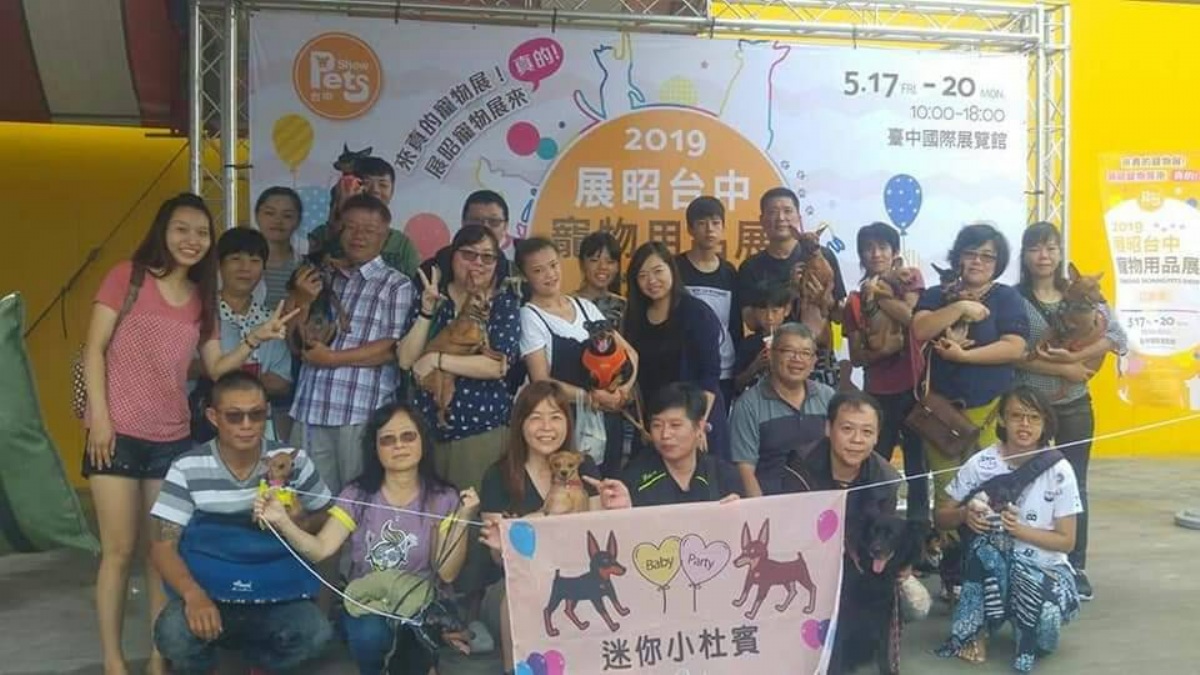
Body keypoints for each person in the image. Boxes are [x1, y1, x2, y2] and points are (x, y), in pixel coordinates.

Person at [82, 193, 294, 675]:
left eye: (201, 233)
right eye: (182, 229)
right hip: (114, 436)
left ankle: (160, 660)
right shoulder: (127, 277)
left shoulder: (203, 300)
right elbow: (94, 349)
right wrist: (101, 419)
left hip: (171, 439)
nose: (191, 240)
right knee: (118, 551)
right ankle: (114, 662)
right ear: (163, 231)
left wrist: (256, 338)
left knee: (161, 553)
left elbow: (216, 367)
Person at [256, 402, 479, 675]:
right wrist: (282, 521)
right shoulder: (357, 494)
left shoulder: (443, 497)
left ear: (423, 441)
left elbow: (447, 572)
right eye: (388, 440)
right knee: (369, 634)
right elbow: (321, 549)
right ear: (375, 448)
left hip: (421, 606)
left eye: (408, 436)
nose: (399, 445)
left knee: (413, 642)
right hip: (369, 603)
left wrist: (464, 517)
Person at [149, 371, 334, 675]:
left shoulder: (294, 461)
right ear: (213, 417)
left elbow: (329, 516)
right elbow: (162, 545)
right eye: (234, 416)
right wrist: (194, 596)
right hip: (210, 596)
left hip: (279, 598)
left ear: (267, 413)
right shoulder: (187, 467)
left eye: (256, 414)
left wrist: (301, 521)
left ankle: (260, 665)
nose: (247, 425)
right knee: (173, 634)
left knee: (316, 633)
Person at [396, 224, 521, 649]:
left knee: (470, 522)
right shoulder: (430, 297)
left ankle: (467, 618)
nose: (478, 265)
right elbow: (406, 360)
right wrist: (427, 313)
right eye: (469, 255)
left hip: (479, 430)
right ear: (453, 257)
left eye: (488, 257)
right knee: (428, 520)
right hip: (424, 432)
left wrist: (437, 361)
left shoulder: (503, 305)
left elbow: (498, 365)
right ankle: (424, 613)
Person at [477, 381, 632, 672]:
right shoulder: (498, 475)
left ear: (568, 423)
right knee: (518, 596)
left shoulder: (584, 467)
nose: (546, 427)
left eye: (556, 417)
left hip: (577, 574)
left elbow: (596, 537)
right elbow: (499, 557)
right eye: (536, 417)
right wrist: (544, 517)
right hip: (516, 579)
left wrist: (620, 508)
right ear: (520, 424)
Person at [934, 386, 1082, 673]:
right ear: (1002, 419)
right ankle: (975, 632)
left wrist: (1018, 530)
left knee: (1044, 637)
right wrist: (964, 515)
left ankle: (1021, 620)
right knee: (986, 546)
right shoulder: (982, 463)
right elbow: (940, 517)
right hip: (994, 565)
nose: (1025, 425)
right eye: (1016, 416)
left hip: (1045, 567)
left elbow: (1067, 541)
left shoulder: (1060, 470)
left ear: (1045, 423)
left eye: (1033, 417)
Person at [1014, 221, 1126, 600]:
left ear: (1061, 254)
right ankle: (1025, 560)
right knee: (1023, 482)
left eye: (1050, 247)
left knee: (1074, 485)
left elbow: (1118, 337)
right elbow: (1015, 356)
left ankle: (1075, 565)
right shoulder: (1013, 298)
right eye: (1035, 248)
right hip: (1028, 407)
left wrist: (1078, 357)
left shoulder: (1085, 291)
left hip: (1075, 405)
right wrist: (1064, 369)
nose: (1043, 256)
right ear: (1024, 255)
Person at [289, 193, 415, 493]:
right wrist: (302, 302)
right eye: (350, 227)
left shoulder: (396, 284)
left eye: (369, 230)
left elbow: (391, 349)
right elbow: (295, 346)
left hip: (361, 413)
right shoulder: (319, 278)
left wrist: (331, 359)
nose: (358, 236)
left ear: (385, 237)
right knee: (307, 502)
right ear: (338, 230)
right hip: (310, 407)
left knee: (358, 504)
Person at [911, 223, 1029, 514]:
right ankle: (948, 543)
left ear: (998, 263)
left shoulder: (1007, 298)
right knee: (946, 491)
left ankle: (985, 544)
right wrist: (960, 308)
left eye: (987, 256)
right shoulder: (937, 294)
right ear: (958, 257)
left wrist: (964, 356)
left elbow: (1015, 347)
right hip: (941, 414)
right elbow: (920, 329)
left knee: (991, 493)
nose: (978, 261)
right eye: (971, 253)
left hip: (990, 411)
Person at [517, 238, 638, 475]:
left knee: (608, 485)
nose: (550, 275)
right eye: (538, 270)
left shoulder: (585, 307)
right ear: (525, 276)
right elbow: (541, 380)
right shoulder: (530, 316)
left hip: (608, 418)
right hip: (565, 423)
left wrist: (621, 393)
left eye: (553, 265)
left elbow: (631, 354)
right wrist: (590, 397)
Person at [843, 222, 929, 522]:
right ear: (861, 256)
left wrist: (878, 292)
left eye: (882, 247)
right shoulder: (854, 301)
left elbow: (911, 319)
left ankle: (919, 533)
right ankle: (874, 528)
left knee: (918, 468)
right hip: (877, 394)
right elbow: (856, 357)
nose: (876, 253)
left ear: (895, 252)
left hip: (915, 388)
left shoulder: (911, 279)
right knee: (876, 466)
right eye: (868, 248)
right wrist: (882, 350)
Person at [623, 241, 730, 461]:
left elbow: (709, 375)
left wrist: (698, 424)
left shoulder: (697, 313)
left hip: (698, 416)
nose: (652, 280)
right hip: (656, 423)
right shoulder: (635, 318)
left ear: (672, 270)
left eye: (658, 271)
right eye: (642, 275)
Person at [738, 187, 847, 388]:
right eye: (773, 212)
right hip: (773, 357)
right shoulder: (751, 267)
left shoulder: (824, 256)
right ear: (762, 220)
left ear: (798, 218)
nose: (781, 218)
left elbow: (840, 316)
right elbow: (751, 322)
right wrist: (790, 291)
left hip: (817, 355)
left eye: (787, 211)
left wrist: (822, 299)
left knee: (823, 406)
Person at [731, 323, 836, 497]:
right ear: (771, 355)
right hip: (772, 501)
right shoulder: (748, 405)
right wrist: (762, 509)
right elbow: (745, 470)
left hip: (823, 501)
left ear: (813, 361)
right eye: (788, 351)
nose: (797, 359)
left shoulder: (827, 397)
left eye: (805, 353)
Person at [208, 228, 293, 439]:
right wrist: (211, 368)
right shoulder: (203, 312)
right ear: (219, 264)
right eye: (236, 259)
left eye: (255, 261)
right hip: (204, 422)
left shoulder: (269, 319)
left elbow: (282, 381)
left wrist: (233, 375)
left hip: (255, 427)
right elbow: (184, 367)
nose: (245, 268)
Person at [780, 390, 900, 519]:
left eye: (867, 431)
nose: (857, 439)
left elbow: (884, 530)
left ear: (877, 436)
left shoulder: (886, 480)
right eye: (847, 429)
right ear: (828, 428)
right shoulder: (799, 466)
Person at [620, 382, 743, 506]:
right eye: (657, 425)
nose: (665, 434)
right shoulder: (633, 480)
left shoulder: (724, 476)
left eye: (675, 425)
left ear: (699, 427)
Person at [676, 196, 743, 407]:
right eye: (702, 223)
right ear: (690, 229)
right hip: (683, 368)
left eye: (715, 223)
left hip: (723, 370)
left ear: (723, 228)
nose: (709, 229)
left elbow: (735, 325)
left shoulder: (729, 272)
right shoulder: (675, 268)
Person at [308, 156, 420, 277]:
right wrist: (341, 215)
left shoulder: (402, 245)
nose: (375, 191)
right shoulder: (323, 233)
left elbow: (412, 284)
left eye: (383, 185)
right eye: (366, 183)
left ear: (392, 191)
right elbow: (313, 272)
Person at [416, 191, 518, 290]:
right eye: (476, 220)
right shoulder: (431, 271)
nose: (485, 227)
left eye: (494, 222)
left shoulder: (515, 277)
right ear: (463, 222)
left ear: (505, 227)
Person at [733, 283, 791, 394]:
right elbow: (737, 384)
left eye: (775, 311)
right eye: (763, 311)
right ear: (754, 311)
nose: (769, 317)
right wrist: (755, 366)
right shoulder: (749, 344)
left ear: (787, 310)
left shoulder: (795, 341)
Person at [253, 186, 305, 309]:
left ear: (298, 220)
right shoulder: (239, 265)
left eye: (287, 216)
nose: (277, 221)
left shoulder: (304, 268)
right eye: (269, 213)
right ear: (257, 216)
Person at [575, 230, 627, 327]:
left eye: (610, 262)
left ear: (617, 267)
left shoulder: (624, 306)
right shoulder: (568, 304)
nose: (603, 267)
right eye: (594, 260)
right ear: (581, 264)